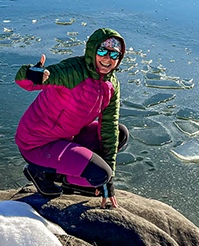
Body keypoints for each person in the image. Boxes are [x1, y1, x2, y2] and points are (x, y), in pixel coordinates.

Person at [14, 28, 129, 208]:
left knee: (120, 134)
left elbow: (109, 126)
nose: (107, 58)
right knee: (99, 175)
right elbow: (25, 82)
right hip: (37, 142)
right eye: (102, 51)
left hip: (68, 135)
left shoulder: (111, 83)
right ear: (92, 51)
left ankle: (71, 176)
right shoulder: (72, 71)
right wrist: (32, 74)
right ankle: (41, 173)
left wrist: (109, 179)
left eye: (114, 54)